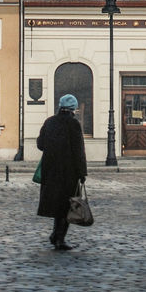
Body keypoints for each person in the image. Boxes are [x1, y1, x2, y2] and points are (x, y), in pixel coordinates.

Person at [36, 93, 87, 251]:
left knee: (56, 204)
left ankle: (55, 235)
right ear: (73, 109)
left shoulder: (50, 122)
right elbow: (79, 151)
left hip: (50, 170)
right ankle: (59, 239)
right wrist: (82, 173)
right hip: (68, 172)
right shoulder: (74, 124)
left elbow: (40, 144)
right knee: (66, 206)